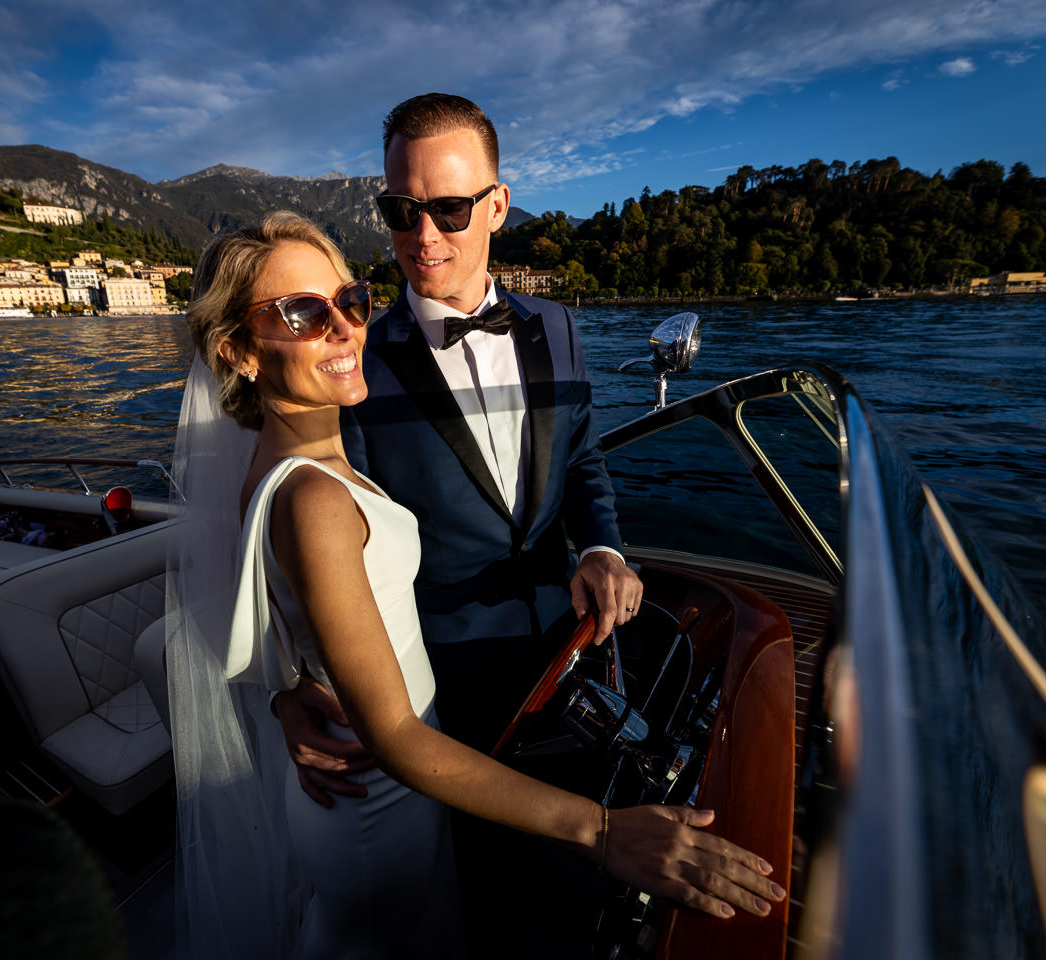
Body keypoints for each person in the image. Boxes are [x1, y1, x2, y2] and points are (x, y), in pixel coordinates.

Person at [168, 212, 785, 959]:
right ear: (236, 350)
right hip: (386, 795)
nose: (342, 328)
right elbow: (393, 735)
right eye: (302, 313)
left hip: (392, 778)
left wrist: (287, 689)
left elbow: (278, 602)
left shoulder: (281, 472)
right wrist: (603, 829)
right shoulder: (316, 499)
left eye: (350, 300)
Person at [270, 92, 659, 952]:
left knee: (580, 894)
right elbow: (306, 530)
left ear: (498, 205)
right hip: (442, 695)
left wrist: (600, 545)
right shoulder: (351, 357)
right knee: (484, 906)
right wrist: (288, 686)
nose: (423, 236)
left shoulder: (558, 325)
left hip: (572, 650)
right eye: (401, 212)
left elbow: (585, 459)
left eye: (448, 208)